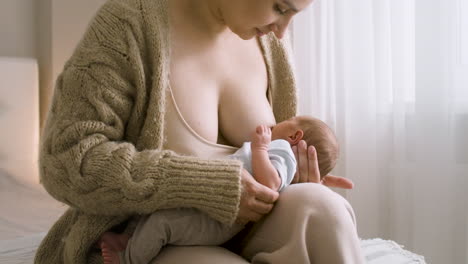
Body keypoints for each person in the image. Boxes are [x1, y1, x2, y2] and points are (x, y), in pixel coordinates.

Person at [35, 0, 365, 263]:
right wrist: (208, 185)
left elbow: (270, 158)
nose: (282, 31)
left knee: (325, 208)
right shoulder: (126, 26)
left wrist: (296, 178)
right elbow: (66, 160)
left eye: (293, 15)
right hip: (148, 239)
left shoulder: (269, 44)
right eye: (280, 8)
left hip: (244, 230)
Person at [98, 115, 340, 264]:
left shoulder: (282, 151)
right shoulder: (281, 150)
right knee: (156, 215)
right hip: (211, 206)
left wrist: (260, 149)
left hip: (220, 218)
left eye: (284, 122)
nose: (274, 123)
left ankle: (128, 259)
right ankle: (129, 241)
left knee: (162, 223)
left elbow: (270, 184)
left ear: (295, 135)